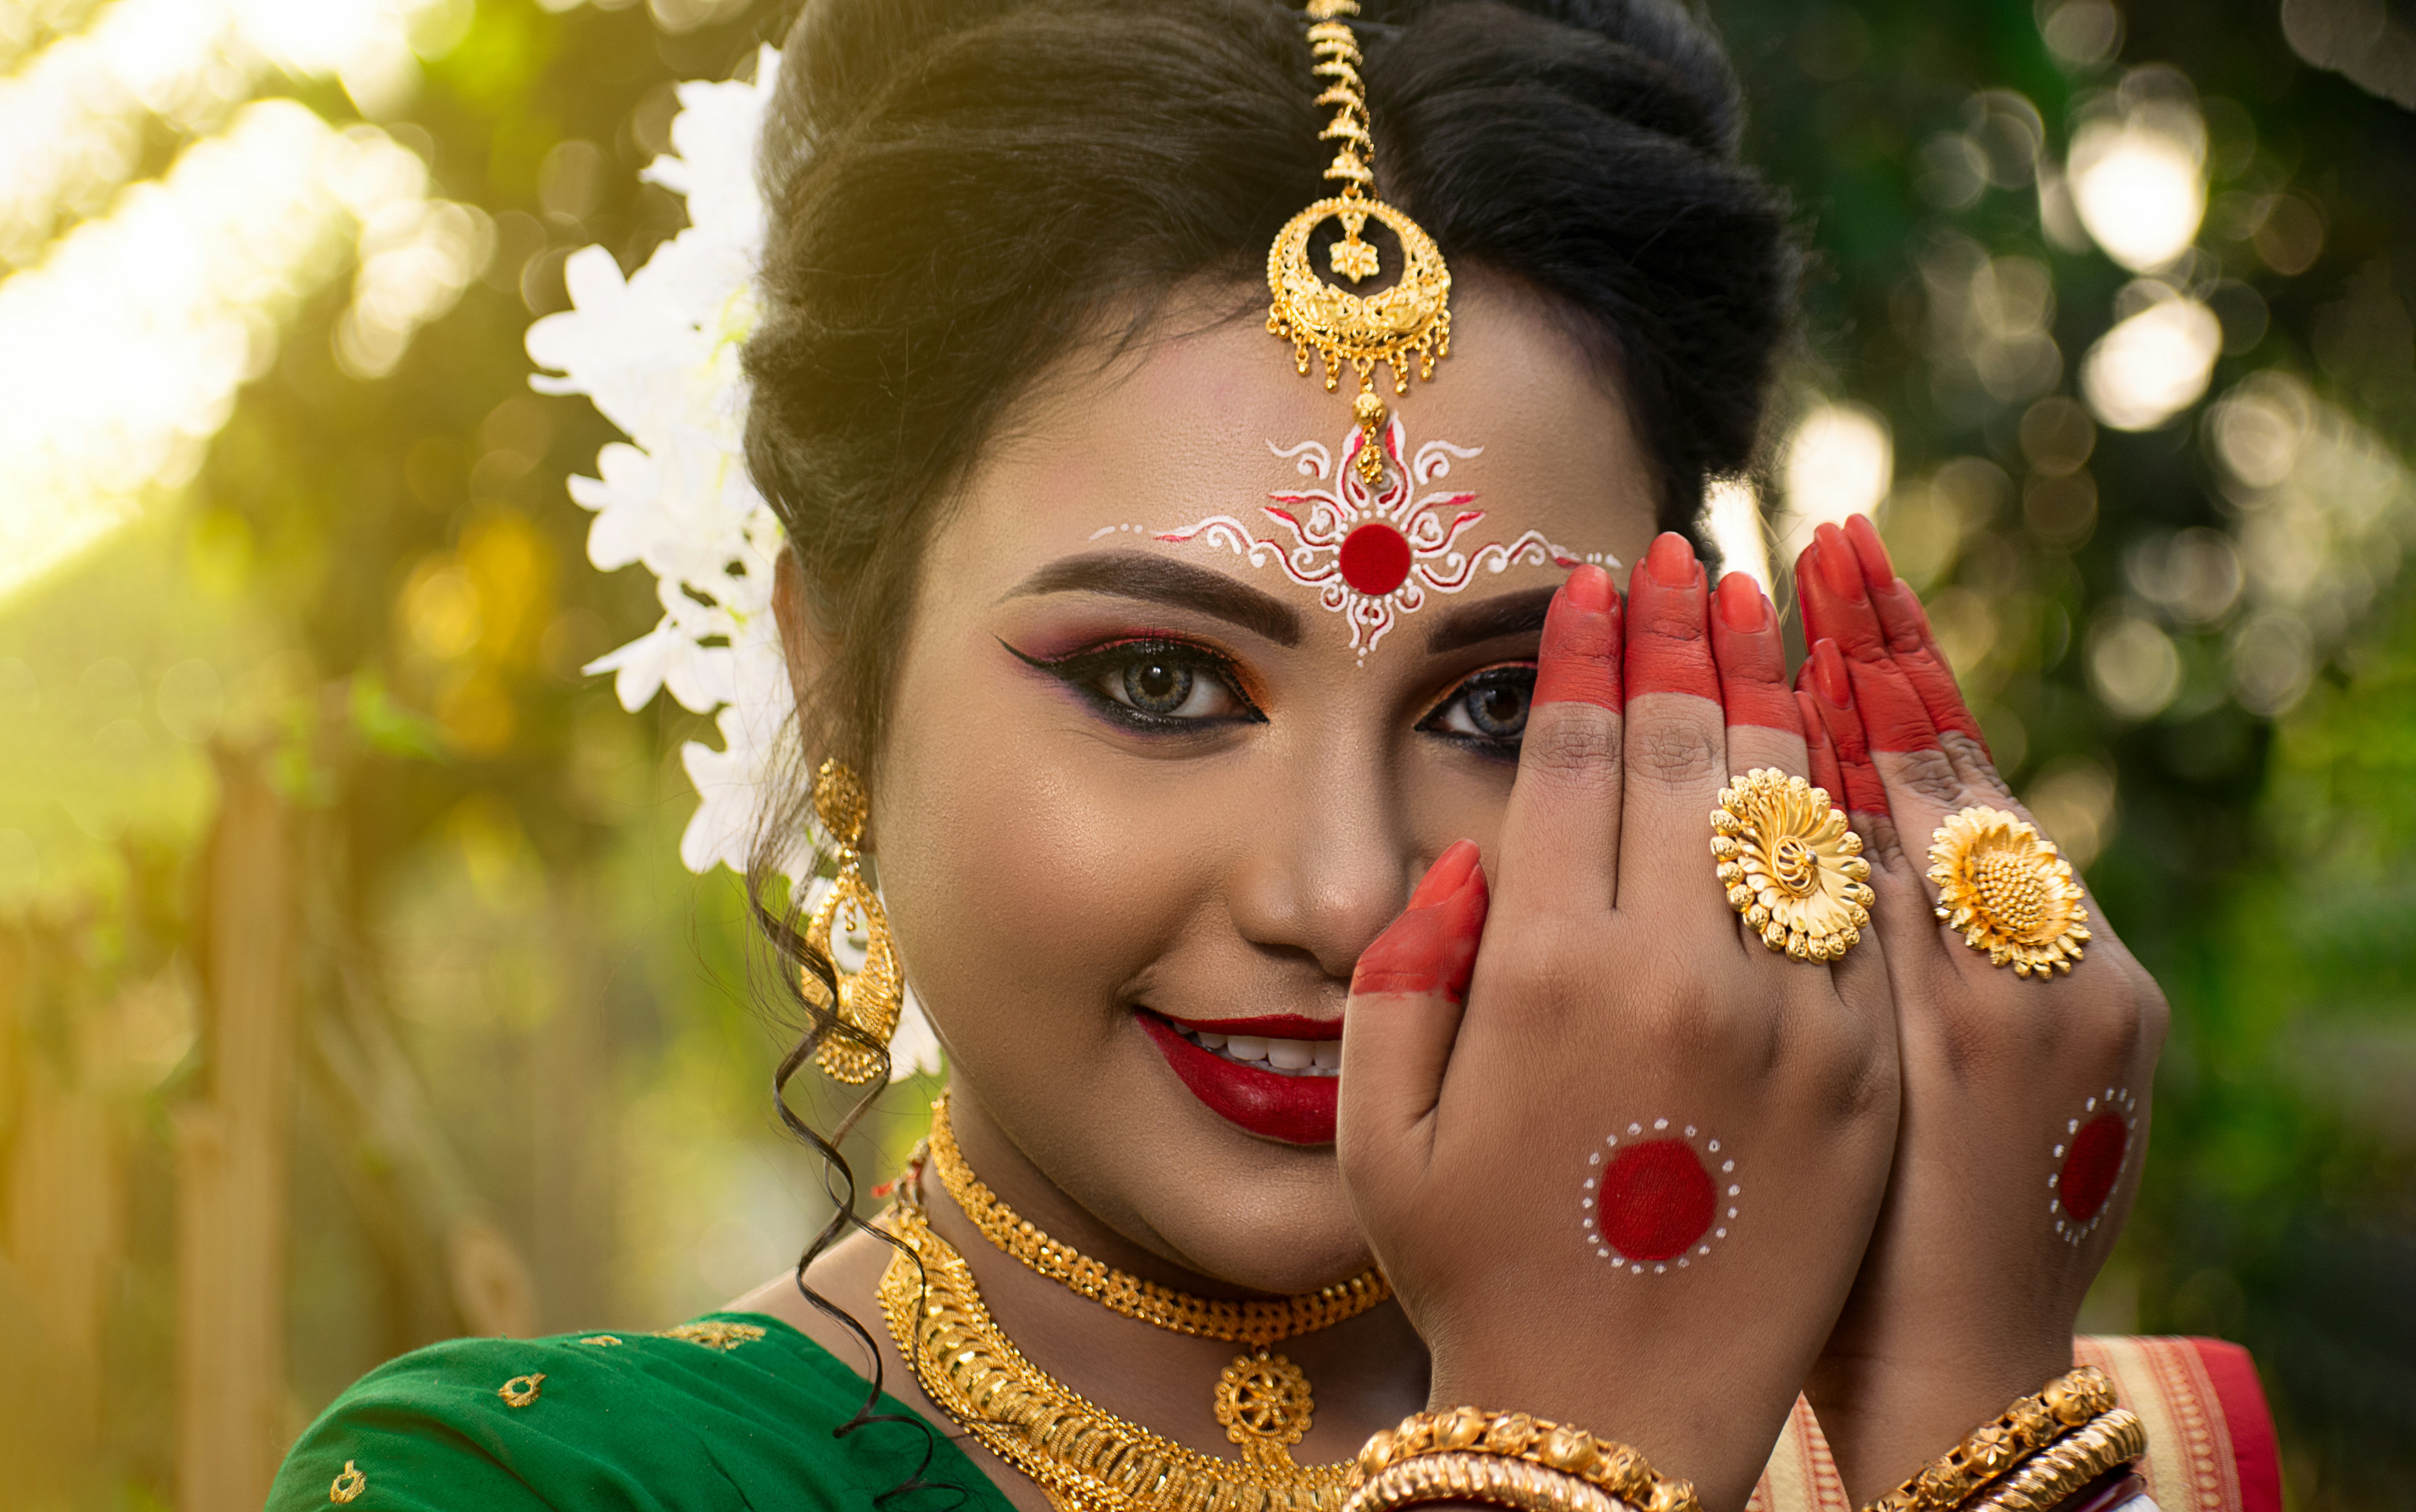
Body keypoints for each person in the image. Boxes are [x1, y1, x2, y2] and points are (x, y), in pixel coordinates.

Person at [266, 3, 2281, 1510]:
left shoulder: (2102, 1435)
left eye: (1499, 708)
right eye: (1156, 685)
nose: (1336, 890)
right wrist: (1564, 1453)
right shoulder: (542, 1486)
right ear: (832, 679)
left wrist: (1968, 1422)